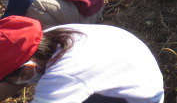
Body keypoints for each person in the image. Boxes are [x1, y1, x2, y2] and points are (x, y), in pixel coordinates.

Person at [0, 16, 165, 102]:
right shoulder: (52, 37)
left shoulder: (65, 75)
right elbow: (10, 80)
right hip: (126, 76)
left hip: (138, 97)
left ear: (28, 69)